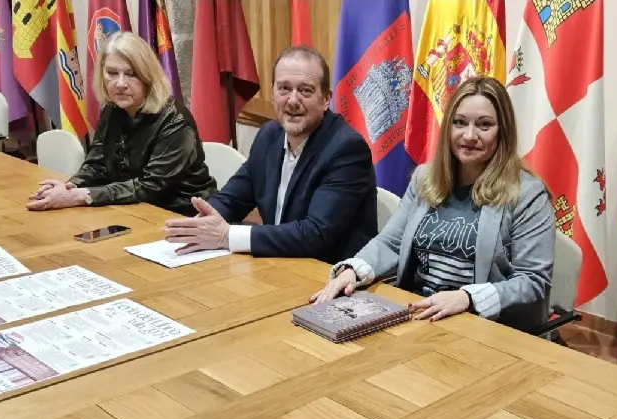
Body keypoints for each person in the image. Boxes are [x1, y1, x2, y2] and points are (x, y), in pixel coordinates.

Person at [310, 76, 556, 334]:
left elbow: (532, 281)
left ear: (503, 131)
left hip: (483, 328)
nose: (469, 135)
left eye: (484, 125)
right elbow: (391, 242)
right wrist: (353, 270)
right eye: (460, 123)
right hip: (417, 315)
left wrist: (467, 298)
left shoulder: (527, 194)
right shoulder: (425, 179)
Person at [161, 46, 377, 261]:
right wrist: (204, 222)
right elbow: (233, 199)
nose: (293, 100)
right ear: (272, 93)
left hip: (329, 275)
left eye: (305, 90)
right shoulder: (269, 136)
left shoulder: (346, 149)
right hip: (280, 263)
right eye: (284, 88)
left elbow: (315, 235)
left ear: (326, 99)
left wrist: (227, 235)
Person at [27, 32, 216, 216]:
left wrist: (82, 196)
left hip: (183, 214)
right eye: (112, 73)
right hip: (132, 208)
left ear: (148, 77)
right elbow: (96, 165)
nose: (120, 83)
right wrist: (70, 187)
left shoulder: (175, 120)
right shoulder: (112, 110)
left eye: (131, 74)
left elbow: (150, 186)